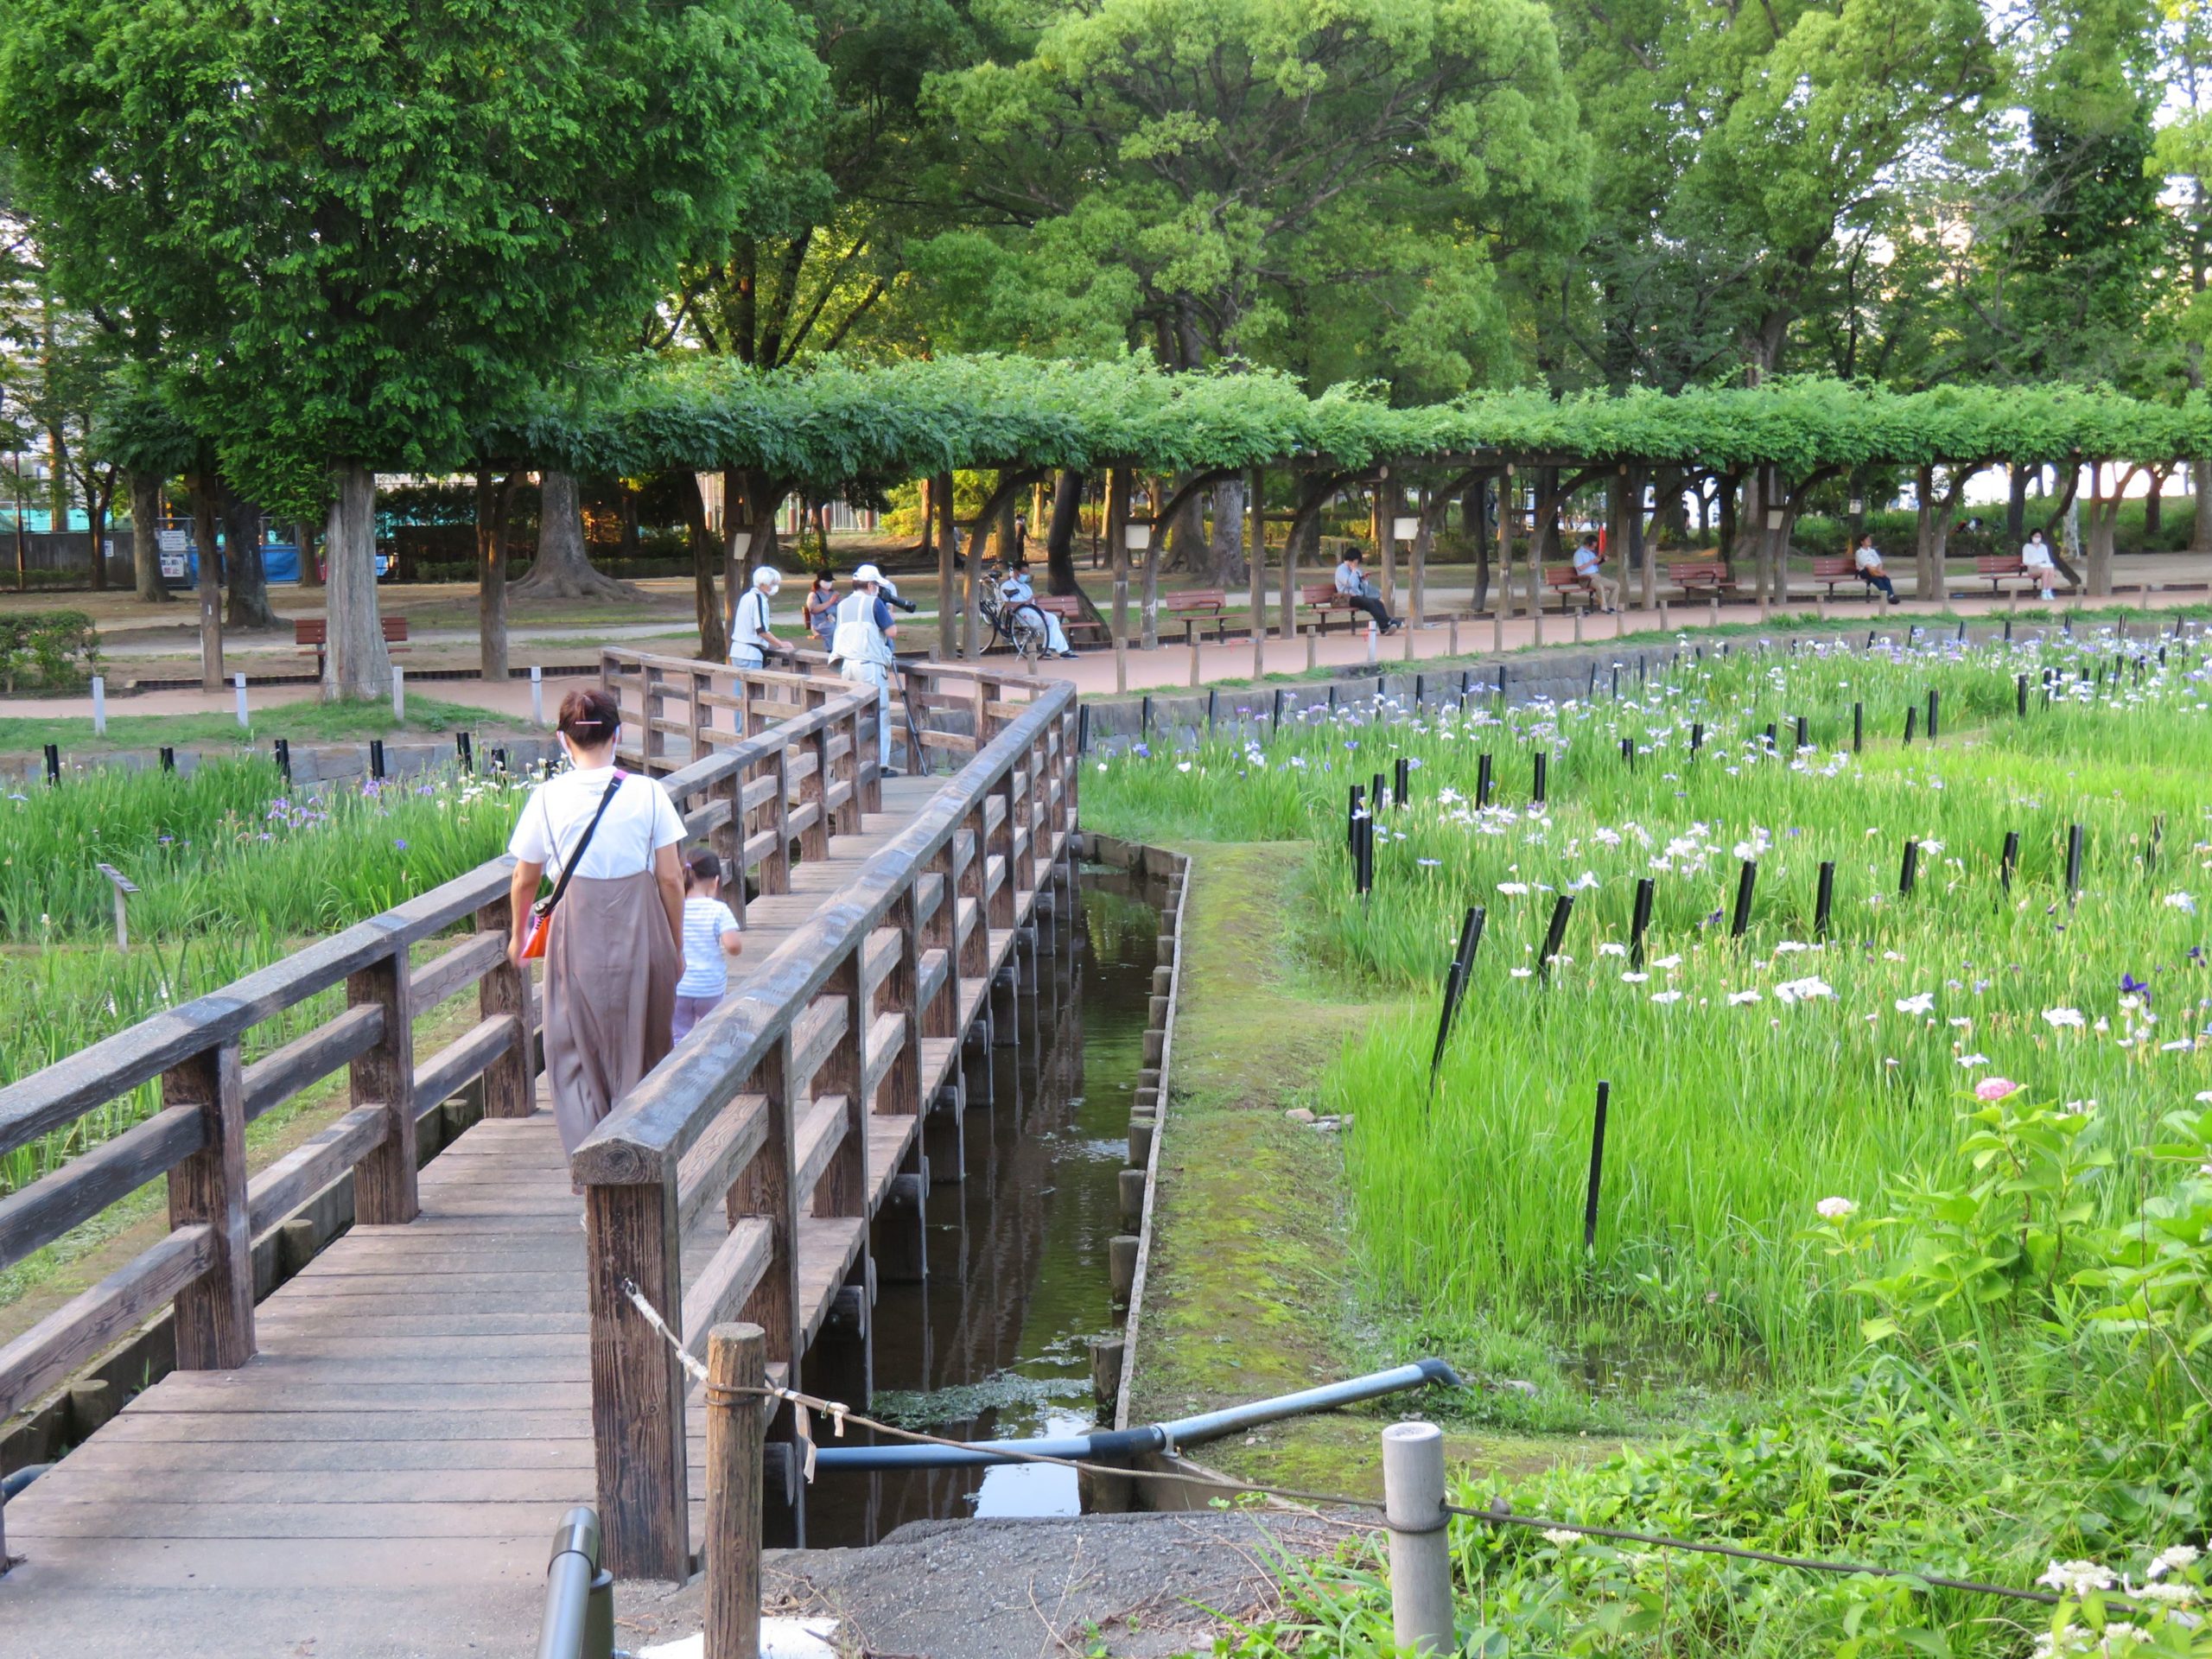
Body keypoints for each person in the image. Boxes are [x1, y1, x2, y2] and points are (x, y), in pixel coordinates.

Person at [505, 687, 685, 1160]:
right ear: (618, 734)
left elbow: (524, 878)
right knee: (645, 1045)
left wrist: (518, 932)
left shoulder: (546, 798)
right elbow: (670, 877)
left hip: (575, 930)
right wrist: (677, 944)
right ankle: (643, 1158)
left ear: (564, 741)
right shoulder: (648, 792)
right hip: (642, 926)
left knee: (573, 1052)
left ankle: (593, 1178)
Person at [830, 563, 901, 774]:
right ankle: (879, 764)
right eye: (877, 585)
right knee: (878, 713)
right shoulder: (875, 603)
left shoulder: (842, 604)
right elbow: (892, 632)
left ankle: (850, 760)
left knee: (852, 714)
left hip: (847, 664)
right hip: (869, 665)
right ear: (871, 585)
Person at [672, 849, 742, 1043]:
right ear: (716, 881)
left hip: (680, 986)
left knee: (678, 1035)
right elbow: (733, 946)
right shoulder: (718, 910)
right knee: (711, 1033)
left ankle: (678, 1065)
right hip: (710, 986)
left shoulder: (675, 907)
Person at [998, 565, 1076, 657]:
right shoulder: (1006, 586)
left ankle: (1054, 650)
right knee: (1051, 622)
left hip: (1033, 611)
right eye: (1024, 574)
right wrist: (1026, 602)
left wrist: (1033, 599)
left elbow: (1032, 602)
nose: (1026, 576)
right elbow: (1008, 605)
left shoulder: (1026, 587)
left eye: (1027, 574)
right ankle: (1058, 650)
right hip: (1022, 614)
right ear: (1016, 572)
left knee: (1053, 620)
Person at [733, 565, 791, 668]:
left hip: (737, 652)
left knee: (739, 684)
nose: (774, 587)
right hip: (750, 654)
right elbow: (762, 630)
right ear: (762, 585)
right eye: (772, 584)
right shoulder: (759, 600)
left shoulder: (746, 597)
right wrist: (780, 643)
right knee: (754, 684)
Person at [1332, 543, 1399, 633]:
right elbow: (1350, 584)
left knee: (1378, 602)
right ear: (1353, 560)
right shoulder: (1341, 570)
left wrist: (1362, 578)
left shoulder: (1354, 569)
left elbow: (1358, 585)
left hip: (1357, 596)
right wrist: (1354, 571)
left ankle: (1384, 627)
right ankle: (1387, 623)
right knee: (1369, 603)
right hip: (1347, 598)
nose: (1357, 563)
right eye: (1357, 561)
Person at [1570, 533, 1620, 612]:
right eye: (1593, 546)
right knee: (1599, 586)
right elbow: (1580, 568)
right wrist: (1592, 561)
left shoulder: (1591, 553)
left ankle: (1612, 607)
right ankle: (1604, 607)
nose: (1594, 547)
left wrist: (1603, 560)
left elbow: (1595, 565)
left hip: (1596, 576)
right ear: (1588, 544)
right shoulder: (1578, 554)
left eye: (1595, 546)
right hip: (1585, 578)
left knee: (1616, 585)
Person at [1852, 533, 1899, 604]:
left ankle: (1891, 596)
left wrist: (1879, 570)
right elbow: (1865, 564)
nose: (1869, 540)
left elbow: (1879, 562)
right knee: (1878, 580)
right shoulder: (1859, 552)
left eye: (1869, 539)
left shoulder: (1872, 551)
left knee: (1886, 579)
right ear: (1862, 542)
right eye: (1867, 539)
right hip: (1865, 571)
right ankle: (1887, 596)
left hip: (1875, 570)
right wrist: (1876, 572)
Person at [2021, 529, 2060, 599]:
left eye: (2039, 536)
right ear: (2031, 536)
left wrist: (2048, 565)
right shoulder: (2027, 547)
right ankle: (2044, 591)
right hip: (2033, 568)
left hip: (2044, 567)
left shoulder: (2043, 547)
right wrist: (2036, 563)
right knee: (2047, 570)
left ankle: (2048, 591)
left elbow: (2047, 559)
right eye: (2036, 536)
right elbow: (2025, 561)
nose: (2037, 538)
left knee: (2050, 569)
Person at [804, 572, 837, 645]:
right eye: (826, 581)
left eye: (830, 581)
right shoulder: (814, 595)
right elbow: (813, 609)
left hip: (835, 621)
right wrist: (830, 602)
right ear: (819, 582)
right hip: (820, 624)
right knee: (833, 629)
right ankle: (831, 649)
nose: (829, 583)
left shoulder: (834, 593)